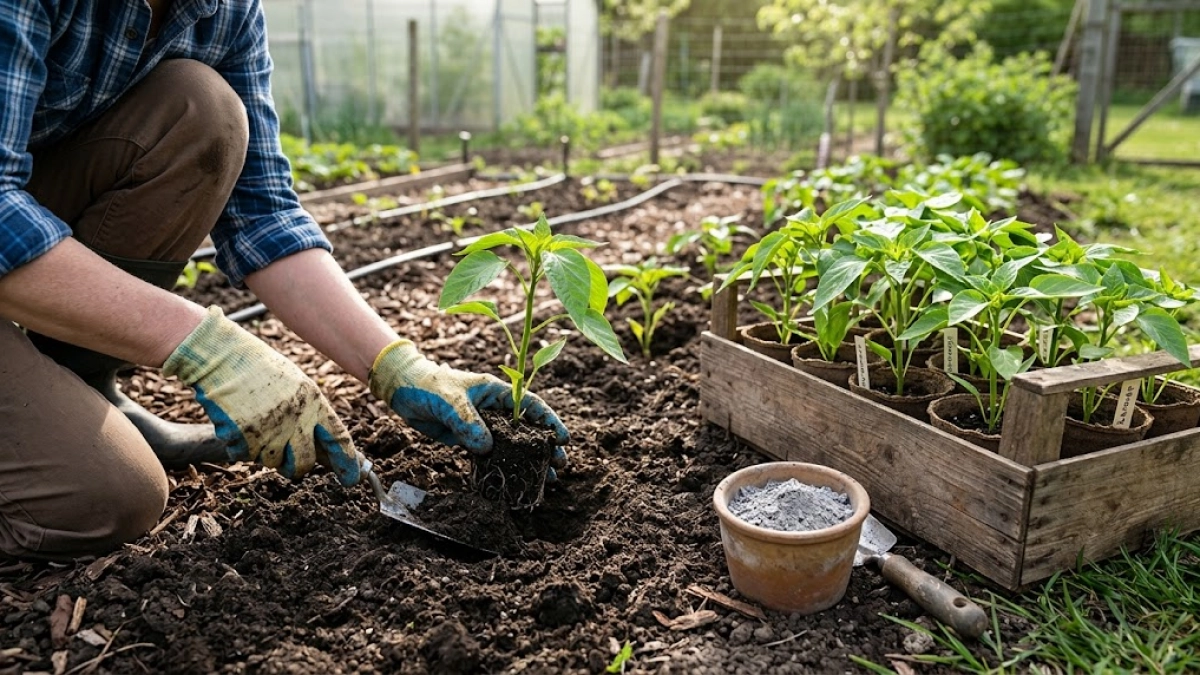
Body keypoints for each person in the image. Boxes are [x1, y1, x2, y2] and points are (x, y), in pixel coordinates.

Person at [0, 0, 568, 560]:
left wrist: (399, 367)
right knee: (106, 499)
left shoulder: (224, 9)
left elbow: (263, 214)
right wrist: (206, 347)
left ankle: (82, 391)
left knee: (203, 110)